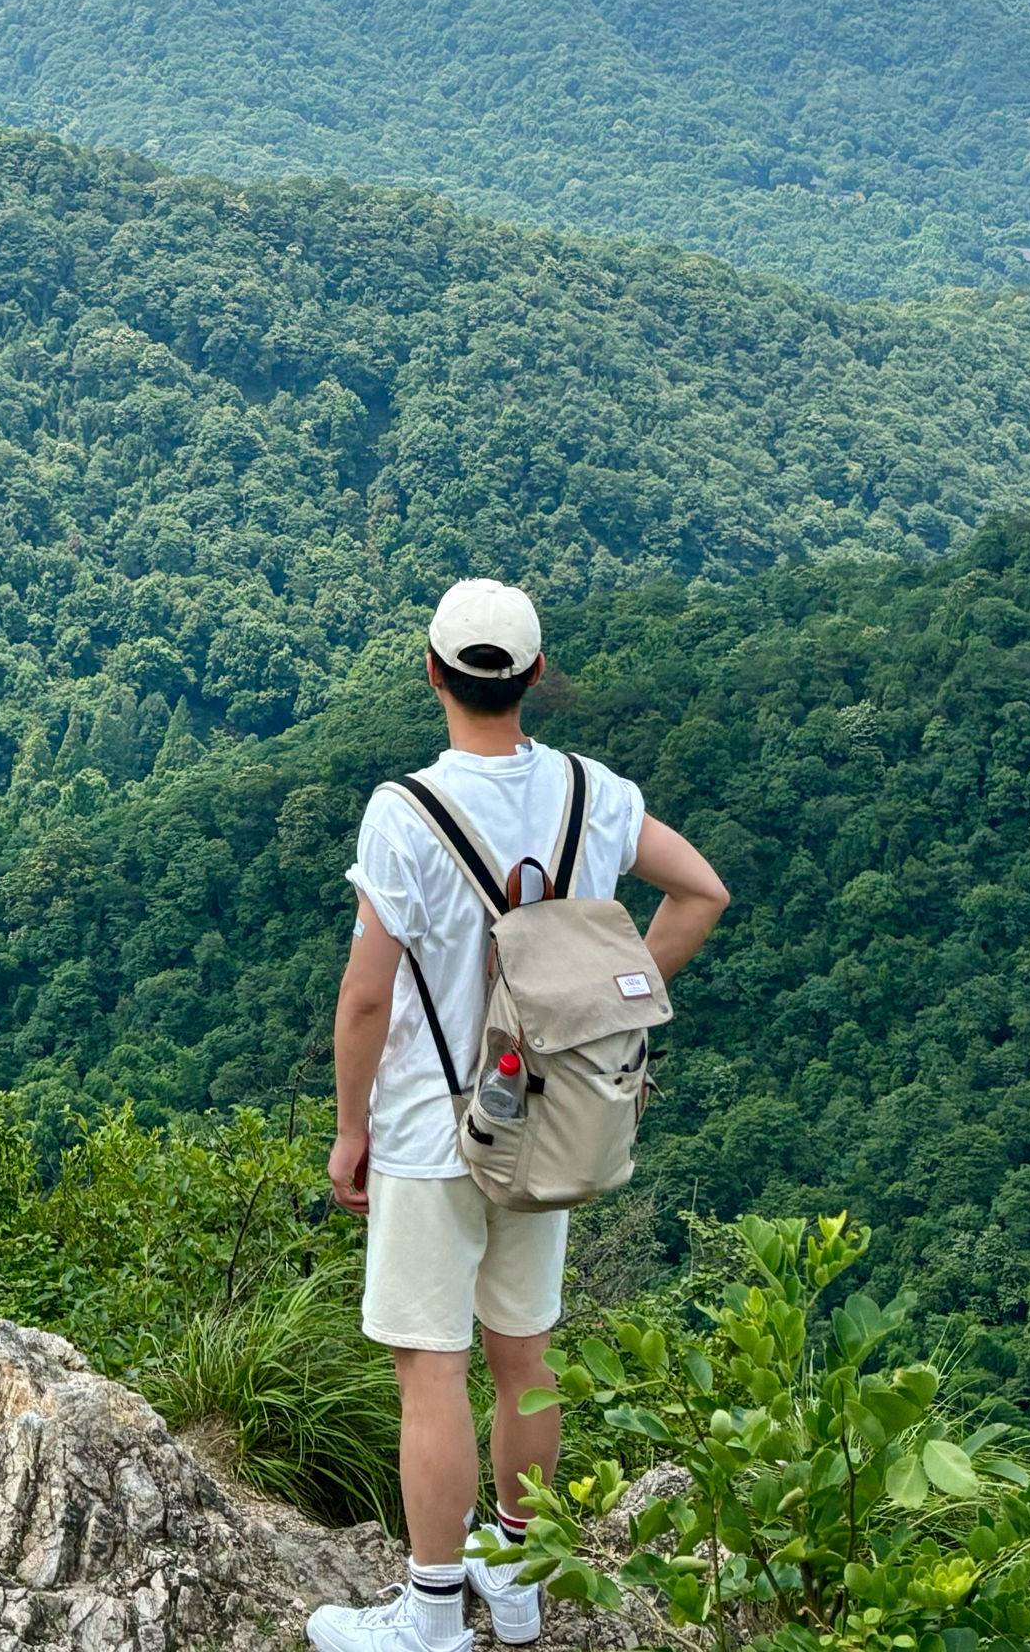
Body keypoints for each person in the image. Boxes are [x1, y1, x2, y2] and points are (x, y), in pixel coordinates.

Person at [307, 578, 730, 1652]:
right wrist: (609, 1006)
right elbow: (702, 893)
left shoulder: (405, 812)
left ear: (432, 672)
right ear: (536, 676)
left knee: (430, 1371)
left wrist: (350, 1130)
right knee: (524, 1357)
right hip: (550, 1121)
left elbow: (366, 997)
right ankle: (520, 1575)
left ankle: (435, 1616)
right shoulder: (596, 794)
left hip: (427, 1128)